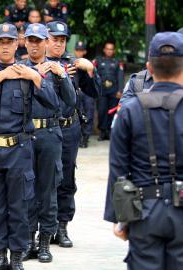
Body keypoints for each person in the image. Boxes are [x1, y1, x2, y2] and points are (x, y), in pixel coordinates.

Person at [0, 23, 58, 270]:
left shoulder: (28, 71)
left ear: (17, 44)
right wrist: (1, 76)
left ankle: (17, 258)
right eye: (1, 41)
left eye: (10, 41)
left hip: (19, 148)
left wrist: (36, 77)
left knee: (19, 206)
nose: (6, 46)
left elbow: (52, 103)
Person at [104, 31, 183, 270]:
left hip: (143, 212)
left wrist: (120, 218)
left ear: (149, 66)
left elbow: (118, 169)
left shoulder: (129, 111)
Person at [20, 23, 75, 264]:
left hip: (51, 134)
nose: (34, 44)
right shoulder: (18, 68)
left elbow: (70, 101)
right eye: (30, 40)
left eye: (38, 40)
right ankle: (28, 241)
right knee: (27, 191)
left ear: (45, 42)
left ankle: (44, 242)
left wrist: (62, 76)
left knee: (48, 189)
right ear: (25, 42)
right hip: (27, 135)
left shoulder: (57, 69)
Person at [45, 22, 101, 250]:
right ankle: (43, 229)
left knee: (66, 178)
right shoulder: (38, 63)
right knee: (44, 178)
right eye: (54, 38)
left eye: (62, 39)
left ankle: (62, 226)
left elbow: (93, 92)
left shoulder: (74, 65)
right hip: (45, 128)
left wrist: (90, 70)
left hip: (69, 128)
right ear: (46, 39)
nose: (58, 43)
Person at [93, 41, 124, 141]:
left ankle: (110, 132)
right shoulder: (98, 61)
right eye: (108, 49)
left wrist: (120, 90)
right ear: (104, 50)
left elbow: (120, 76)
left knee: (112, 111)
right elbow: (93, 75)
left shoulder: (117, 62)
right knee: (101, 111)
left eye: (111, 49)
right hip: (102, 91)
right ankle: (102, 132)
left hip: (114, 91)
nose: (109, 51)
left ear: (113, 51)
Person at [74, 40, 98, 148]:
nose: (79, 53)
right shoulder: (71, 62)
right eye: (77, 50)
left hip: (87, 93)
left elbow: (93, 79)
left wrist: (89, 69)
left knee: (88, 114)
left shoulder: (89, 63)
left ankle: (86, 137)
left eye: (81, 50)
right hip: (77, 92)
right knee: (78, 114)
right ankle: (79, 137)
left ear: (84, 51)